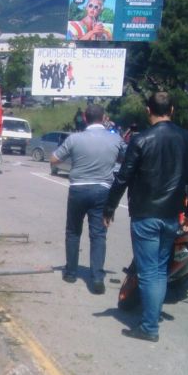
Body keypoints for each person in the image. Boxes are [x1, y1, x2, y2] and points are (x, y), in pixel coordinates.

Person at [103, 92, 188, 342]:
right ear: (173, 109)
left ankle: (149, 327)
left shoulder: (141, 140)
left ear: (148, 110)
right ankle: (152, 318)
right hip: (171, 215)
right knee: (158, 270)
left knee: (148, 272)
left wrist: (109, 208)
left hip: (146, 213)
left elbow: (123, 177)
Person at [51, 104, 125, 294]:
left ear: (84, 117)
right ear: (104, 118)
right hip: (102, 190)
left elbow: (54, 159)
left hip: (78, 189)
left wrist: (76, 158)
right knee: (98, 235)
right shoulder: (114, 139)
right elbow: (125, 159)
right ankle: (98, 277)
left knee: (73, 232)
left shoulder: (74, 139)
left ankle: (71, 272)